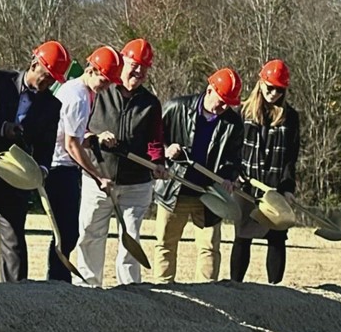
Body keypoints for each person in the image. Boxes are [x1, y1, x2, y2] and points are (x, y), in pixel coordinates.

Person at [0, 41, 68, 282]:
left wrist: (42, 169)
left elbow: (47, 144)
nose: (49, 83)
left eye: (53, 80)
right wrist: (2, 128)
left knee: (13, 237)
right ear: (34, 64)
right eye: (47, 76)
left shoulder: (52, 105)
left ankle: (15, 292)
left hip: (15, 172)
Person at [75, 38, 168, 287]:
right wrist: (95, 137)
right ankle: (87, 287)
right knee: (90, 234)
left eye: (144, 68)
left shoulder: (150, 103)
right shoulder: (100, 91)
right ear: (123, 61)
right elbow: (78, 130)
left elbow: (155, 140)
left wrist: (157, 162)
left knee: (131, 238)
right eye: (134, 65)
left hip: (136, 184)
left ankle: (129, 291)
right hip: (98, 177)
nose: (139, 72)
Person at [151, 68, 244, 283]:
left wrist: (228, 177)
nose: (224, 107)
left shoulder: (233, 123)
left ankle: (208, 290)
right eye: (222, 101)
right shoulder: (176, 107)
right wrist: (165, 150)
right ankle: (163, 289)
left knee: (209, 248)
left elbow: (234, 158)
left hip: (209, 193)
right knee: (165, 243)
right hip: (175, 189)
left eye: (229, 103)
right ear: (209, 90)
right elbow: (153, 138)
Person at [51, 46, 122, 283]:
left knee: (67, 231)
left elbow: (76, 135)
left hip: (65, 165)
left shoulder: (83, 92)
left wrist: (93, 138)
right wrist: (98, 177)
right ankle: (57, 281)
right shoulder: (78, 97)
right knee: (66, 232)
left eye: (110, 82)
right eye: (104, 79)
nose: (106, 86)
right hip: (60, 167)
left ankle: (58, 281)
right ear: (91, 70)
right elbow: (71, 145)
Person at [230, 59, 300, 284]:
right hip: (246, 185)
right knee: (243, 236)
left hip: (275, 186)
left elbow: (290, 158)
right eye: (270, 88)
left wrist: (287, 187)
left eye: (279, 90)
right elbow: (232, 148)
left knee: (277, 237)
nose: (274, 93)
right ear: (260, 84)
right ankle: (236, 286)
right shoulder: (242, 112)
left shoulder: (291, 117)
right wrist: (233, 174)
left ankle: (275, 288)